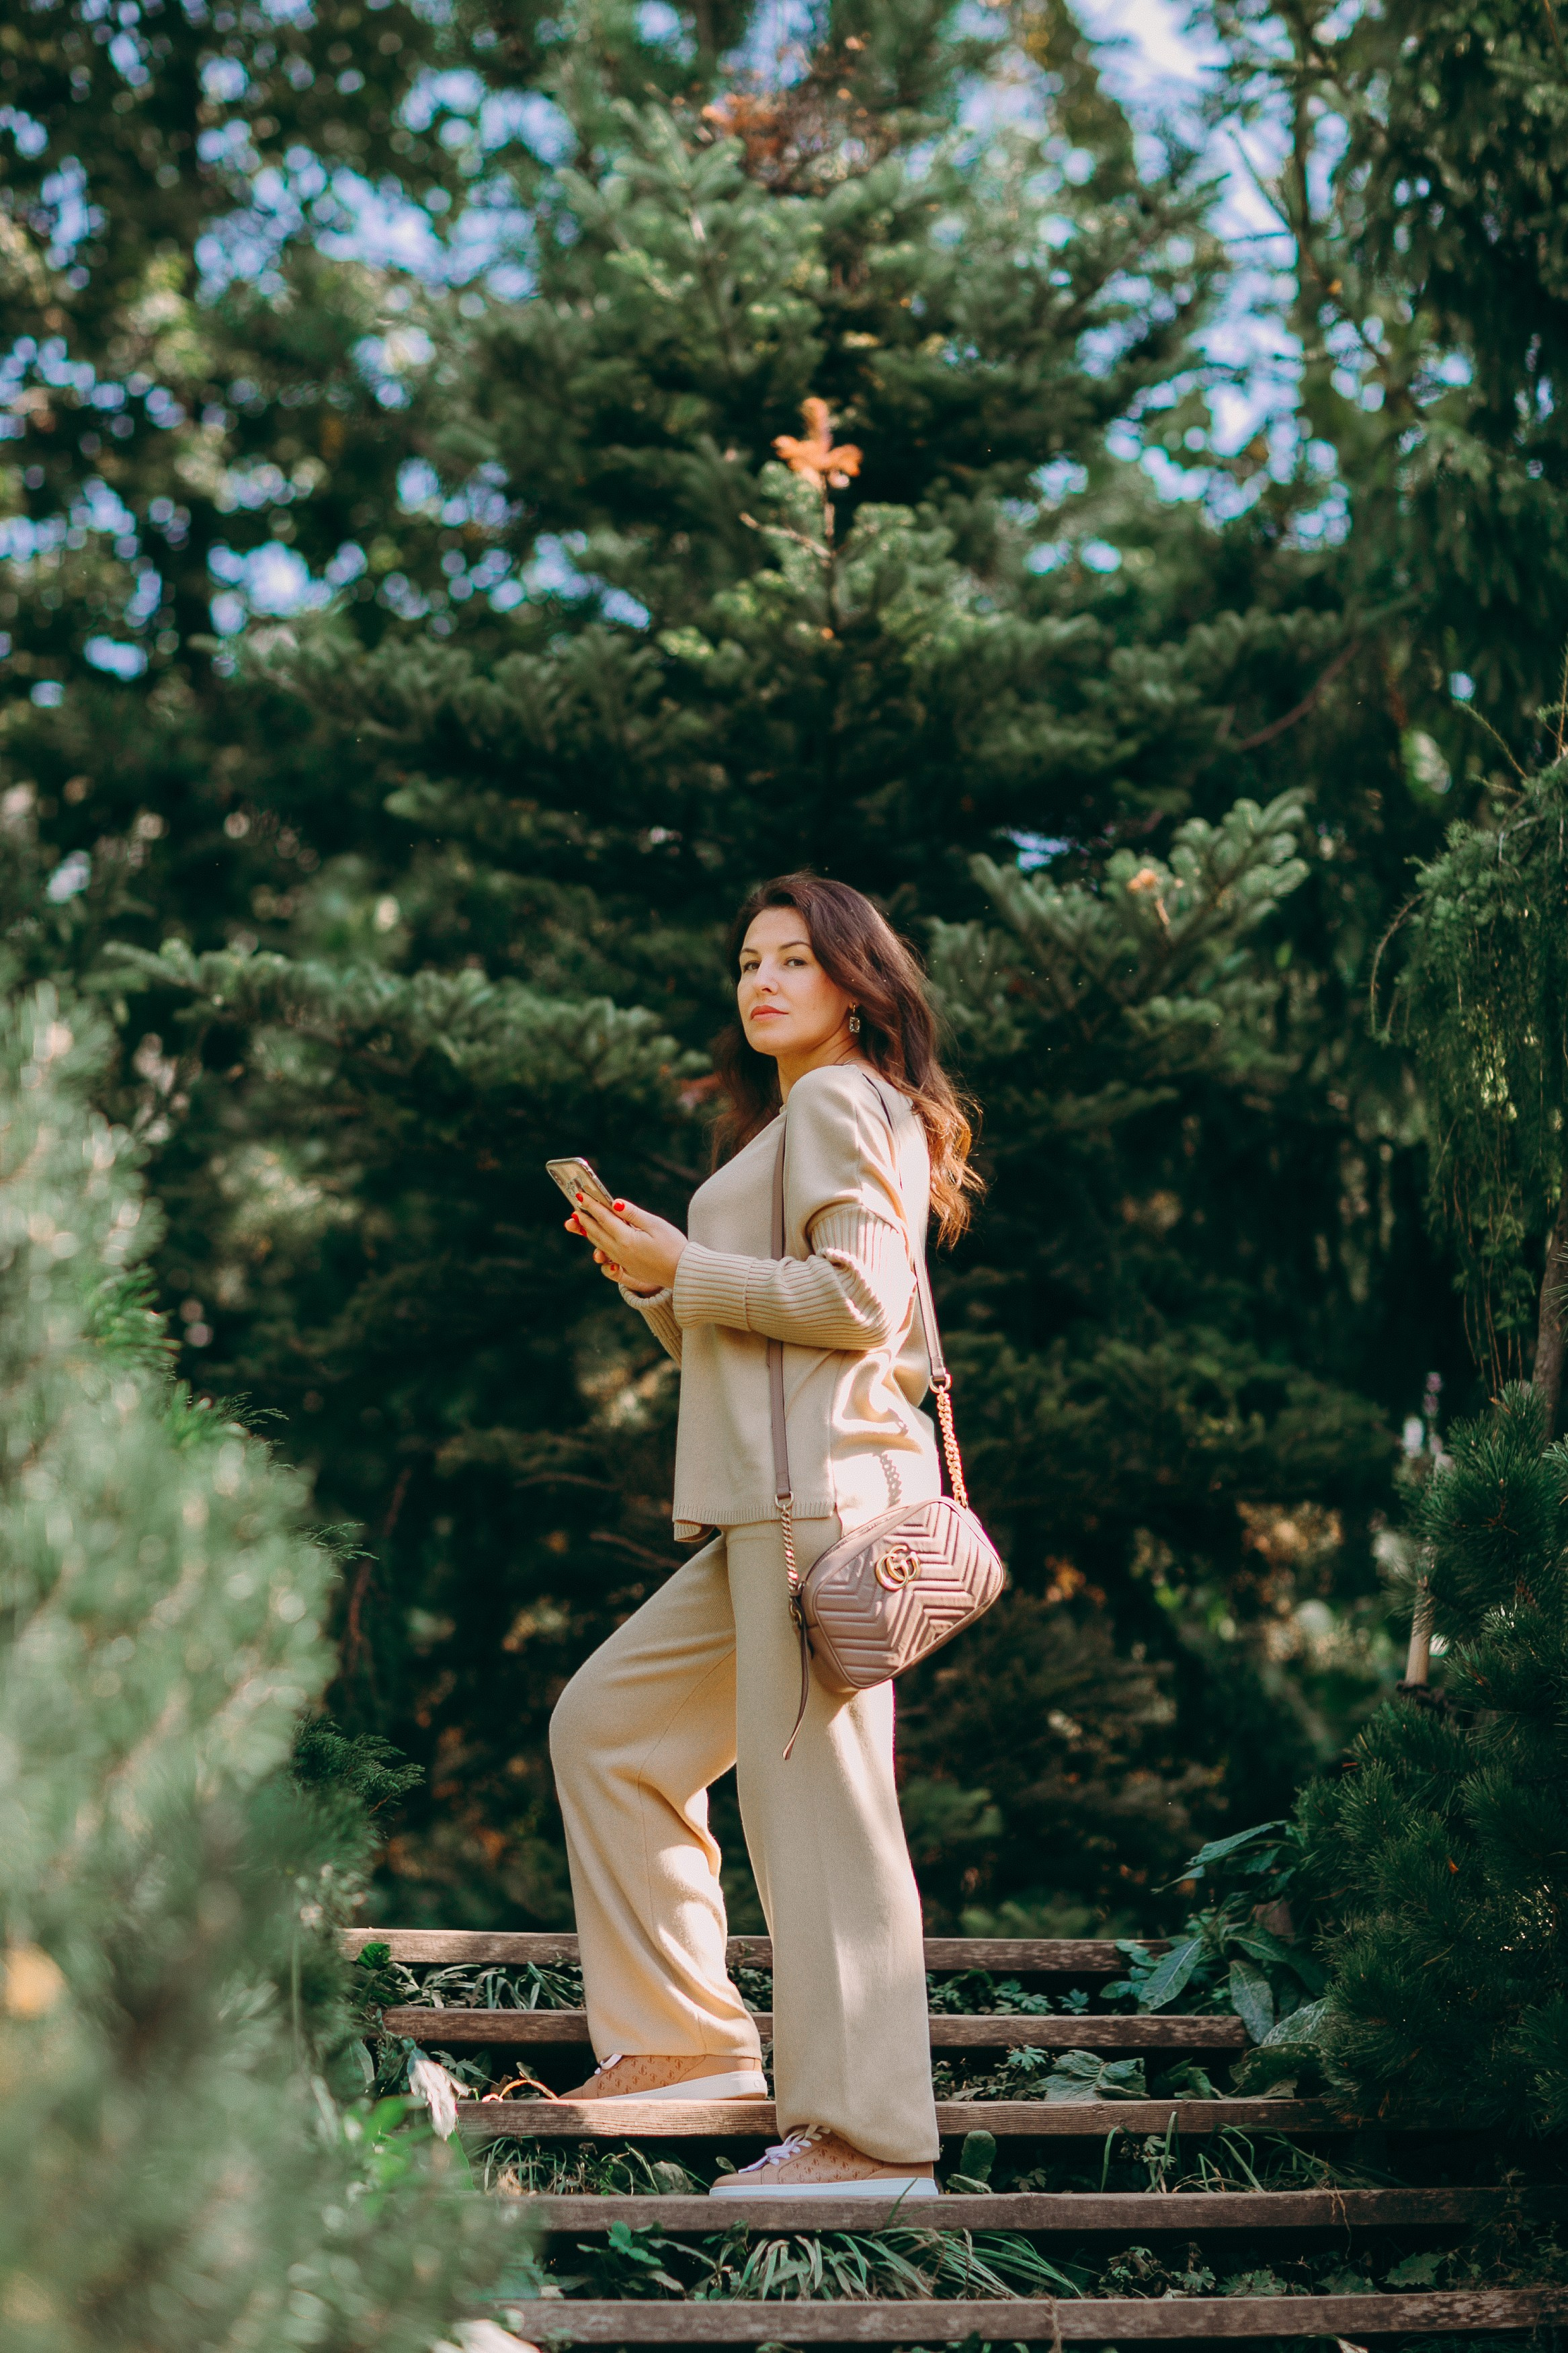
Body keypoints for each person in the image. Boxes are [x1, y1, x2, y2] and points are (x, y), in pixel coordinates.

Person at [550, 873, 979, 2198]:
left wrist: (691, 1270)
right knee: (609, 1729)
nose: (762, 979)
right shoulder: (795, 1119)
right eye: (746, 960)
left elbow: (857, 1298)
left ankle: (871, 2138)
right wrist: (657, 1282)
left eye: (795, 958)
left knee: (824, 1821)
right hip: (763, 1510)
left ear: (858, 983)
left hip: (825, 1507)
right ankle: (684, 2044)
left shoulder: (845, 1098)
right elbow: (755, 1320)